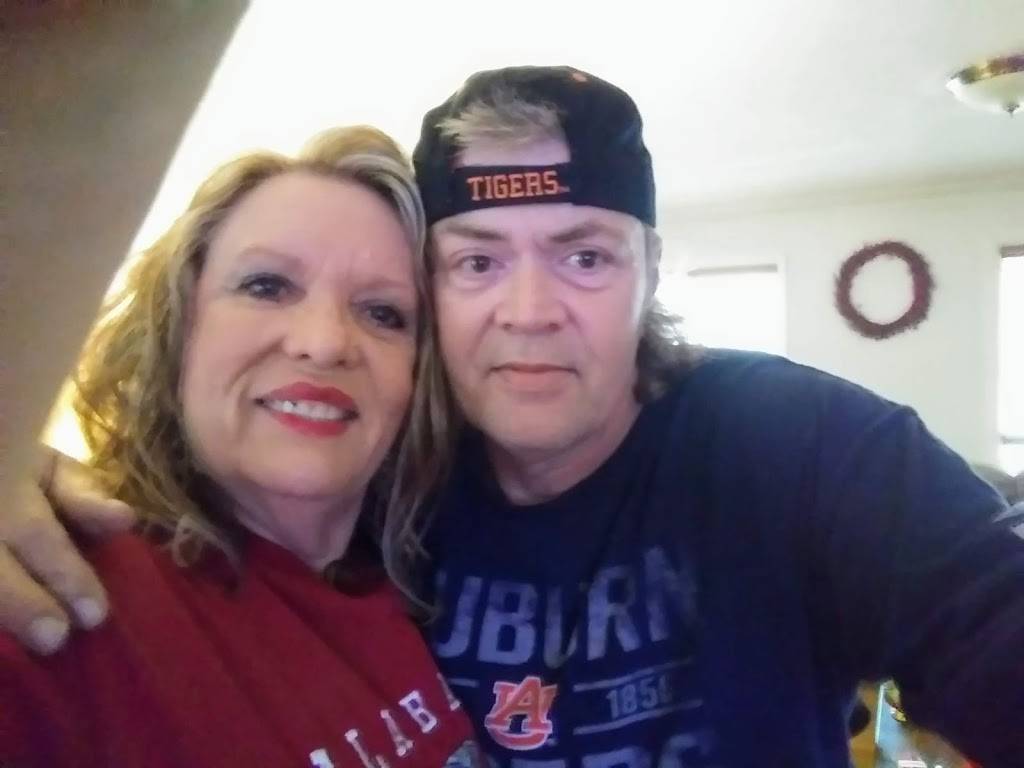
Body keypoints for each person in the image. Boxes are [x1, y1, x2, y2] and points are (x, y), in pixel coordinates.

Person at [3, 66, 1024, 767]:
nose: (529, 312)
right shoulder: (380, 489)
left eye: (584, 255)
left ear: (651, 270)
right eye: (477, 261)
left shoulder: (800, 444)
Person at [0, 126, 477, 767]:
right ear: (178, 328)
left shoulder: (437, 582)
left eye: (384, 313)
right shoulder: (57, 588)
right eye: (266, 286)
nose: (324, 343)